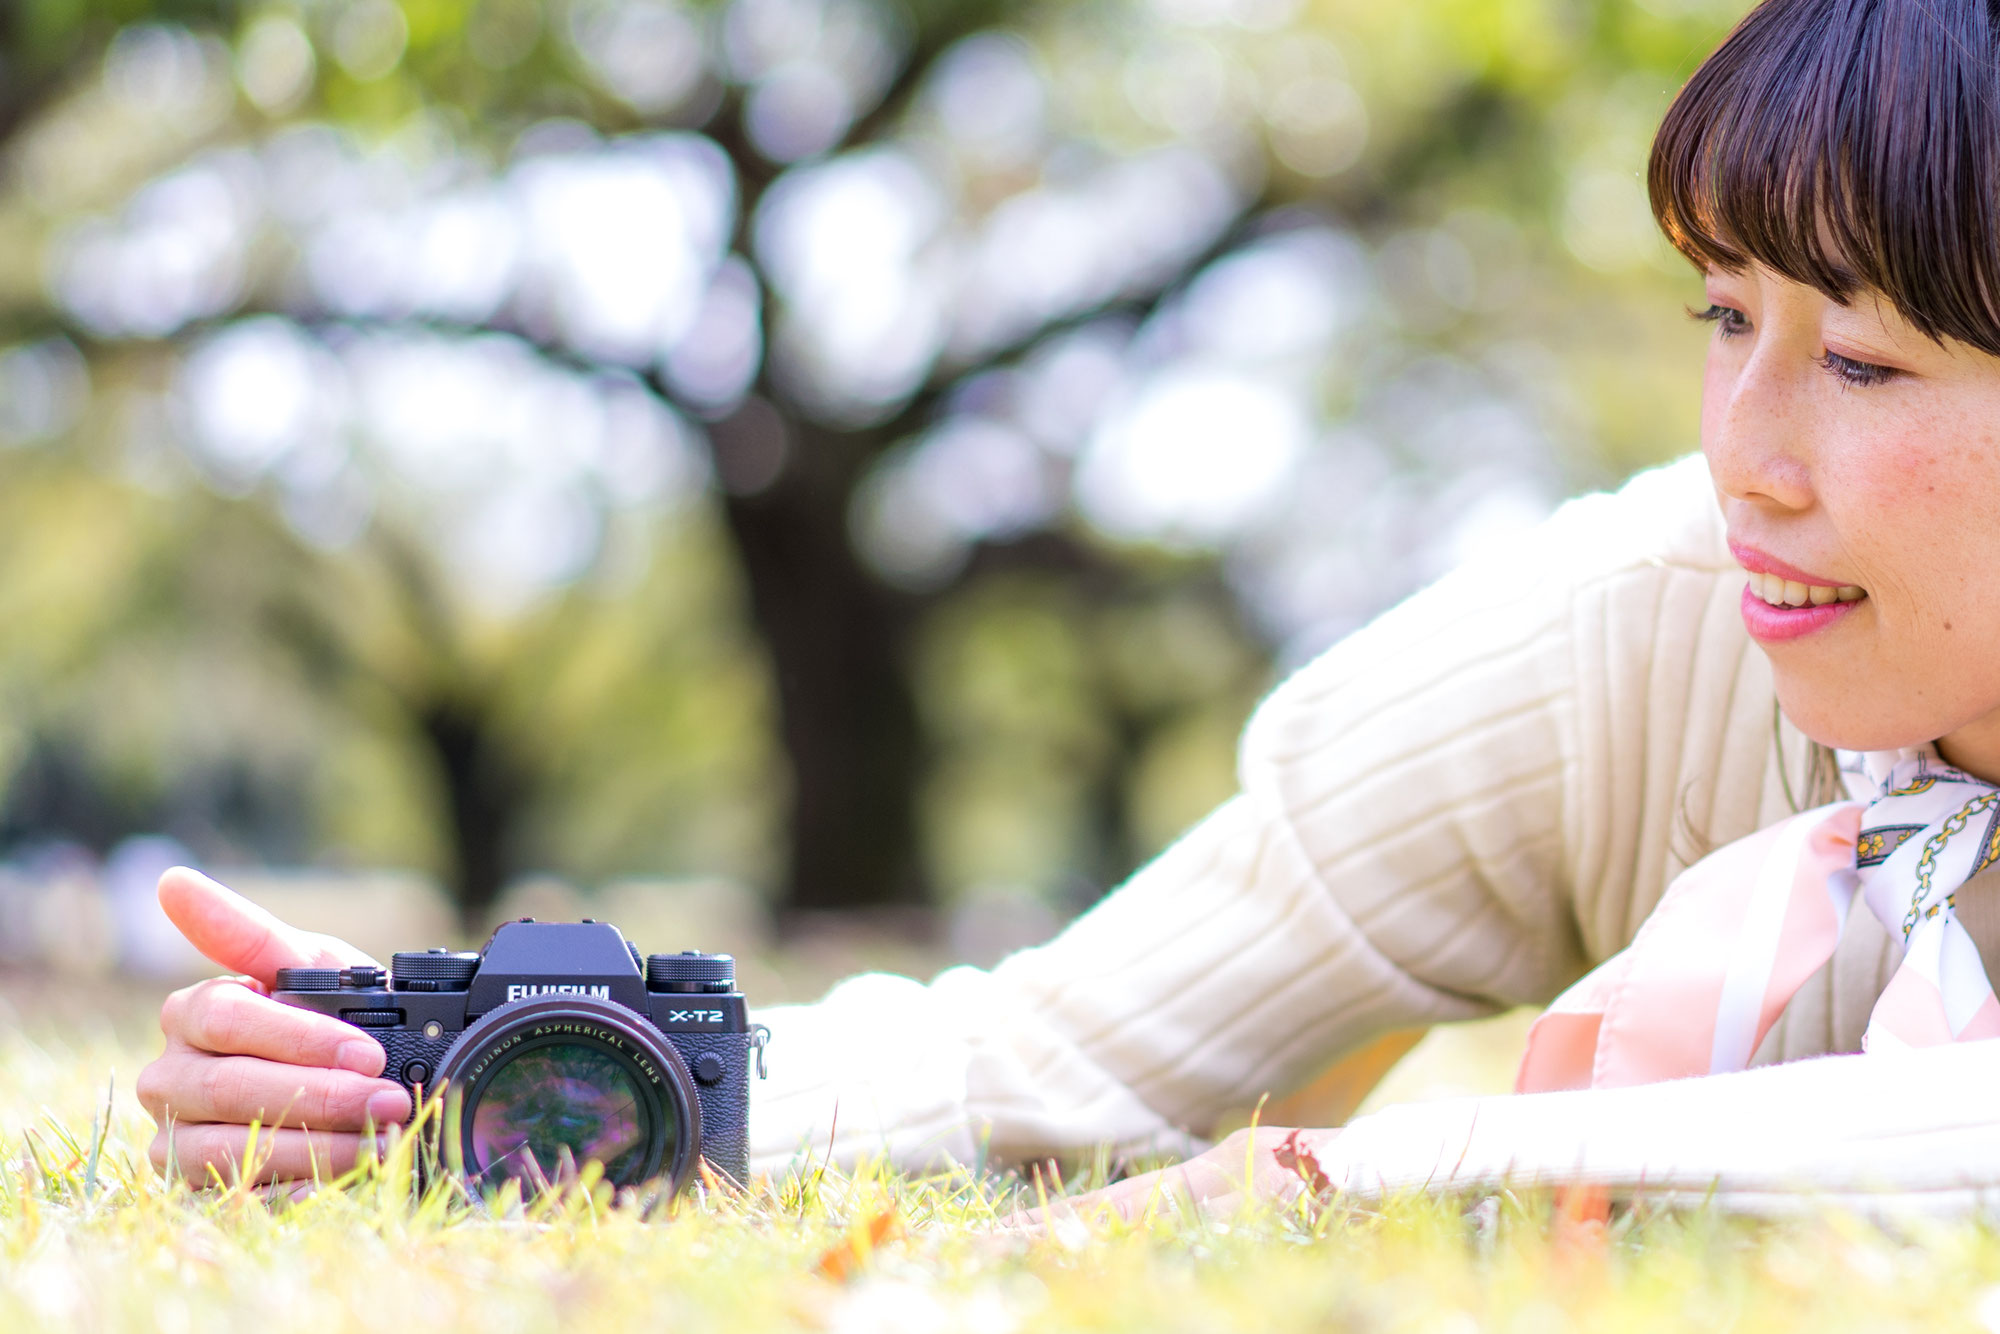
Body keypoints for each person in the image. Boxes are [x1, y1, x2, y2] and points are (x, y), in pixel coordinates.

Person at [135, 0, 2000, 1218]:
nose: (1747, 454)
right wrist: (466, 1088)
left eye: (1861, 359)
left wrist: (1379, 1175)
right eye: (1725, 317)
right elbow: (1058, 1055)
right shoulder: (1659, 629)